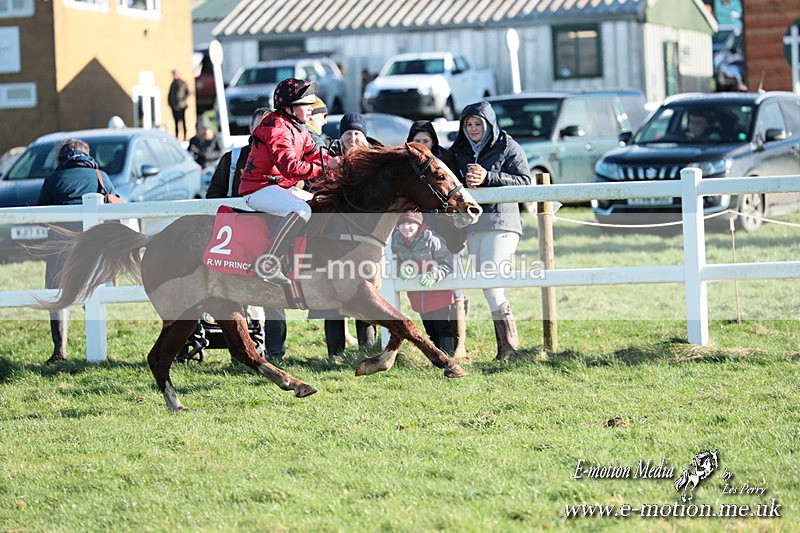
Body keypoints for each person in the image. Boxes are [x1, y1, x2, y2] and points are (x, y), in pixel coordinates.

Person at [203, 106, 288, 364]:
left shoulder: (285, 159)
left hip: (270, 238)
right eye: (261, 124)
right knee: (232, 297)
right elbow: (212, 200)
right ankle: (241, 354)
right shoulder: (231, 160)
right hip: (236, 238)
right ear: (252, 129)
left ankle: (275, 353)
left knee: (273, 293)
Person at [449, 100, 532, 361]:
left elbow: (525, 182)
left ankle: (509, 347)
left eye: (477, 124)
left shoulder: (508, 146)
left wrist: (488, 178)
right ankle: (504, 348)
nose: (473, 129)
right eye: (468, 124)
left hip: (502, 221)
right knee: (486, 284)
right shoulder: (459, 149)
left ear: (489, 124)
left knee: (492, 282)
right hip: (473, 224)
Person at [239, 77, 339, 286]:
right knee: (302, 211)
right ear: (290, 107)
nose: (311, 108)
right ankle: (268, 264)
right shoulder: (276, 127)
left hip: (277, 187)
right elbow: (291, 168)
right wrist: (326, 167)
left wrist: (337, 162)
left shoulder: (299, 126)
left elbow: (315, 154)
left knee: (318, 204)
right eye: (306, 103)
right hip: (258, 189)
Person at [37, 139, 117, 363]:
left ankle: (59, 349)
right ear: (87, 156)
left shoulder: (53, 180)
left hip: (59, 247)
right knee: (93, 294)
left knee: (57, 295)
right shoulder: (101, 177)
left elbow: (41, 216)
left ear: (61, 157)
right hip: (93, 245)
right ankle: (98, 350)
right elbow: (114, 208)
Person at [406, 121, 469, 359]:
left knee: (454, 287)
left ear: (433, 141)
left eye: (426, 141)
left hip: (448, 233)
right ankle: (439, 342)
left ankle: (458, 344)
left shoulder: (446, 162)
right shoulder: (407, 167)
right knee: (424, 287)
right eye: (417, 141)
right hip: (418, 233)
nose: (422, 146)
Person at [391, 211, 456, 355]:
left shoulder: (432, 239)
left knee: (442, 327)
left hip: (438, 292)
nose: (406, 227)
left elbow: (447, 264)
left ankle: (449, 356)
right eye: (402, 224)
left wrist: (433, 275)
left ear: (419, 224)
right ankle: (437, 357)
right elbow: (393, 263)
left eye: (410, 224)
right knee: (430, 329)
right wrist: (402, 269)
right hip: (417, 294)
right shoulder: (395, 240)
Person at [168, 69, 191, 141]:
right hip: (174, 106)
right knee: (176, 123)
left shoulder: (183, 83)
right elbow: (170, 95)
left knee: (183, 122)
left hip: (181, 106)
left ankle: (185, 137)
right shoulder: (172, 84)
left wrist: (183, 100)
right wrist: (170, 103)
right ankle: (177, 137)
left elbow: (188, 92)